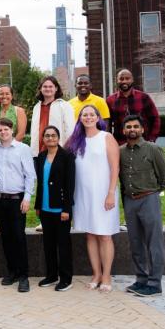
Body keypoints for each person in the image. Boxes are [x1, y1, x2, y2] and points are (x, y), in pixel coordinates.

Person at [66, 105, 120, 293]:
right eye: (84, 115)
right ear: (80, 118)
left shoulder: (106, 137)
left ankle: (107, 275)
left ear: (98, 117)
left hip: (104, 193)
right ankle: (96, 273)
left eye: (91, 114)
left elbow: (115, 168)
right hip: (83, 194)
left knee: (104, 235)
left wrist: (111, 192)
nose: (88, 117)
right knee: (90, 234)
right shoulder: (75, 140)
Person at [120, 115, 165, 297]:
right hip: (130, 201)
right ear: (123, 130)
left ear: (142, 129)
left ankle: (155, 283)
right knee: (135, 242)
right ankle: (141, 279)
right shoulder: (121, 151)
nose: (131, 129)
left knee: (154, 242)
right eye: (128, 127)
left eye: (135, 126)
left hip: (149, 199)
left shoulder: (153, 149)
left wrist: (155, 192)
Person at [0, 118, 35, 293]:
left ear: (12, 130)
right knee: (6, 237)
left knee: (18, 237)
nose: (3, 132)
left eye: (5, 129)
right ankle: (12, 272)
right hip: (0, 199)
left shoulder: (23, 149)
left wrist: (27, 198)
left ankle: (24, 276)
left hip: (18, 199)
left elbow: (30, 175)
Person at [34, 125, 75, 292]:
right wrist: (37, 205)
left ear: (58, 138)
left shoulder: (67, 156)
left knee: (63, 245)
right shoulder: (41, 156)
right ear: (43, 139)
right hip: (44, 208)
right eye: (47, 136)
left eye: (53, 135)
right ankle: (51, 275)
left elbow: (70, 184)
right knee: (48, 244)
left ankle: (66, 278)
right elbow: (40, 184)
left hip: (60, 209)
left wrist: (67, 209)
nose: (50, 138)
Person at [106, 69, 161, 145]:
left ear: (132, 80)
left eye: (127, 78)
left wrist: (152, 138)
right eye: (121, 79)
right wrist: (109, 141)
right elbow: (107, 123)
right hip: (120, 144)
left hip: (142, 143)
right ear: (117, 81)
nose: (124, 81)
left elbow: (155, 118)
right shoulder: (110, 100)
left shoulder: (143, 97)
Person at [30, 76, 75, 157]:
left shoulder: (64, 105)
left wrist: (65, 149)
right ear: (40, 89)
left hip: (58, 150)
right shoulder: (36, 107)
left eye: (51, 86)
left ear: (56, 88)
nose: (48, 89)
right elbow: (33, 131)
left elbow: (70, 130)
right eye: (45, 86)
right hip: (39, 150)